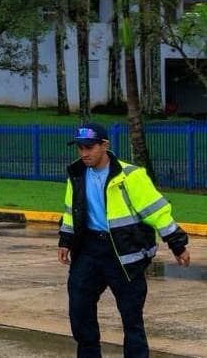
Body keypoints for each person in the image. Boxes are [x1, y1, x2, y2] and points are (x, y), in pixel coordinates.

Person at [58, 124, 191, 357]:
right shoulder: (76, 174)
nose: (84, 153)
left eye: (89, 147)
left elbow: (157, 211)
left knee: (132, 319)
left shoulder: (131, 176)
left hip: (123, 253)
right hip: (88, 250)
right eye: (79, 148)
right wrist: (65, 240)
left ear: (105, 146)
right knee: (79, 310)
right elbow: (72, 211)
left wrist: (177, 244)